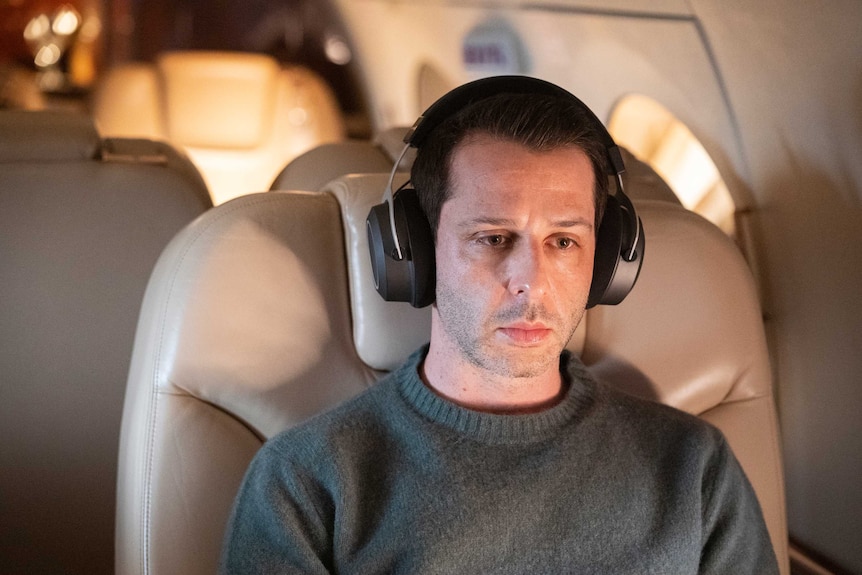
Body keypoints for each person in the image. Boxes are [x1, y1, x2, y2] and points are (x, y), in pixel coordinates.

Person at [219, 77, 779, 574]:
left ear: (606, 263)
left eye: (563, 242)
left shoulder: (695, 470)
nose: (530, 283)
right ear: (415, 254)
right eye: (492, 238)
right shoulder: (307, 484)